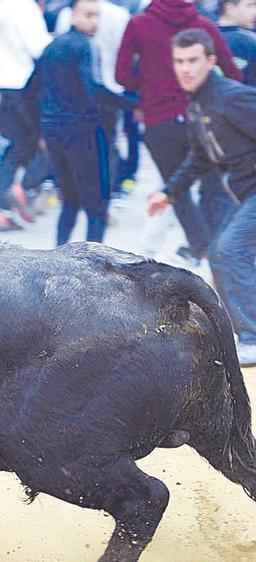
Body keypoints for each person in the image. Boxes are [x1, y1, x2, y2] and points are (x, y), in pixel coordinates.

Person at [149, 29, 256, 365]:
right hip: (245, 194)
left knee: (228, 250)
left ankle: (252, 336)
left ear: (211, 61)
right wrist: (169, 192)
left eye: (193, 60)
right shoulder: (198, 106)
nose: (186, 68)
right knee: (218, 253)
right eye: (180, 61)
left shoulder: (230, 98)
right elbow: (201, 157)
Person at [116, 0, 242, 264]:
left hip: (158, 119)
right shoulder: (203, 25)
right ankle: (216, 252)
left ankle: (203, 249)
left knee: (177, 194)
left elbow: (122, 74)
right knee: (214, 189)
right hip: (201, 115)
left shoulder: (139, 23)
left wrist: (150, 88)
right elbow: (232, 72)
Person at [38, 0, 137, 245]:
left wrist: (40, 128)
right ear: (72, 16)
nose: (95, 22)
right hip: (84, 132)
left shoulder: (52, 46)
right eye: (88, 15)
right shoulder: (87, 46)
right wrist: (133, 103)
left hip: (54, 131)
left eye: (97, 16)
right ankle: (93, 264)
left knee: (69, 202)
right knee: (97, 206)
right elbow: (94, 90)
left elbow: (32, 90)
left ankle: (58, 255)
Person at [0, 0, 52, 231]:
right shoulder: (25, 7)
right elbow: (40, 49)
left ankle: (1, 212)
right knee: (48, 144)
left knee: (12, 150)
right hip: (25, 87)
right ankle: (24, 188)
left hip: (0, 84)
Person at [217, 0, 256, 84]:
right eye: (249, 6)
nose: (254, 11)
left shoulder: (204, 35)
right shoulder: (250, 41)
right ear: (230, 8)